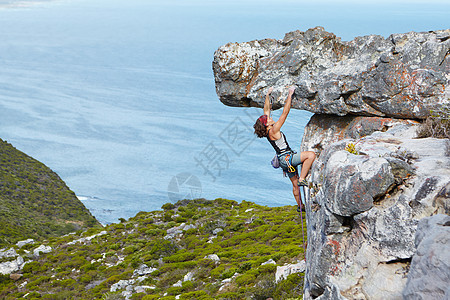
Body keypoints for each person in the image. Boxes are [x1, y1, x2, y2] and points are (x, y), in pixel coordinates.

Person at [253, 86, 316, 212]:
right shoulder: (274, 130)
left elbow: (266, 110)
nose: (271, 118)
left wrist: (268, 95)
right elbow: (285, 113)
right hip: (289, 157)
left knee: (294, 185)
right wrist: (290, 95)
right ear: (266, 124)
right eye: (269, 119)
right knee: (311, 155)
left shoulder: (267, 132)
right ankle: (302, 179)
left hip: (283, 161)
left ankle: (300, 206)